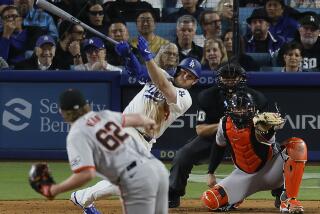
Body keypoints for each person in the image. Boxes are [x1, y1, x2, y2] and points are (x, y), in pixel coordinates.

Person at [70, 36, 202, 213]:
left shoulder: (185, 98)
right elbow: (139, 73)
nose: (186, 76)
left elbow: (163, 86)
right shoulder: (161, 74)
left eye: (191, 76)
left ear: (194, 82)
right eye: (184, 71)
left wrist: (147, 55)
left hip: (144, 141)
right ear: (178, 70)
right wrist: (129, 56)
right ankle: (83, 197)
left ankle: (83, 198)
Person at [32, 88, 169, 214]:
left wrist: (55, 190)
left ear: (63, 113)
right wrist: (149, 122)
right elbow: (139, 118)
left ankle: (80, 199)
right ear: (86, 106)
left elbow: (86, 174)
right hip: (158, 170)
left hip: (136, 179)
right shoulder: (104, 115)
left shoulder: (77, 134)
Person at [168, 62, 268, 208]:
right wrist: (225, 125)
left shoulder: (256, 98)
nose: (230, 81)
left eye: (234, 77)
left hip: (245, 138)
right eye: (226, 77)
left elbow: (262, 127)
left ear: (242, 79)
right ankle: (173, 193)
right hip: (214, 138)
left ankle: (282, 194)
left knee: (274, 156)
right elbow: (200, 130)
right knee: (183, 156)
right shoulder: (207, 97)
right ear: (219, 79)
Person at [201, 91, 307, 214]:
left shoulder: (261, 123)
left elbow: (270, 136)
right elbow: (219, 146)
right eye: (237, 108)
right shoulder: (224, 123)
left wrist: (272, 128)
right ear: (230, 109)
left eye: (245, 108)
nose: (241, 111)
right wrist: (210, 172)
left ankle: (288, 199)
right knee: (210, 200)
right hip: (244, 175)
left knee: (297, 145)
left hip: (271, 171)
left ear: (252, 109)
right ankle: (238, 196)